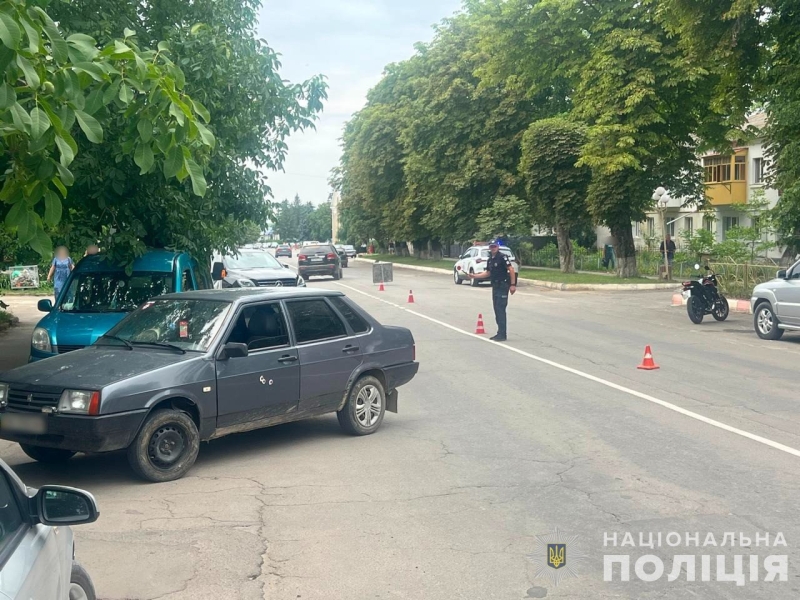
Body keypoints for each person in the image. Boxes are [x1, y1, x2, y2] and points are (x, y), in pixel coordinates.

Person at [468, 239, 516, 341]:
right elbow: (488, 273)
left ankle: (503, 334)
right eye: (491, 247)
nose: (493, 248)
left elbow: (511, 270)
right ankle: (499, 332)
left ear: (497, 247)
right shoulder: (490, 259)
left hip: (503, 285)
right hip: (495, 286)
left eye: (495, 246)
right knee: (496, 309)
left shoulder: (502, 257)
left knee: (500, 309)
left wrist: (512, 285)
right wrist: (475, 276)